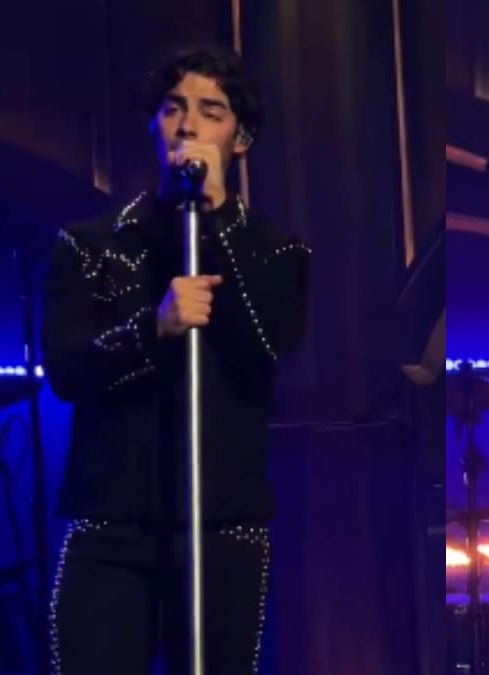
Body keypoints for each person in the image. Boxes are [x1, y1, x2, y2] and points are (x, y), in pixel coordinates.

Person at [41, 44, 310, 674]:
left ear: (240, 138)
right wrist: (152, 329)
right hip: (110, 524)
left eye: (210, 112)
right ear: (153, 124)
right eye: (172, 109)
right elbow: (67, 369)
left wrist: (213, 227)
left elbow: (266, 349)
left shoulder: (276, 252)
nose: (187, 126)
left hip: (223, 526)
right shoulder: (90, 246)